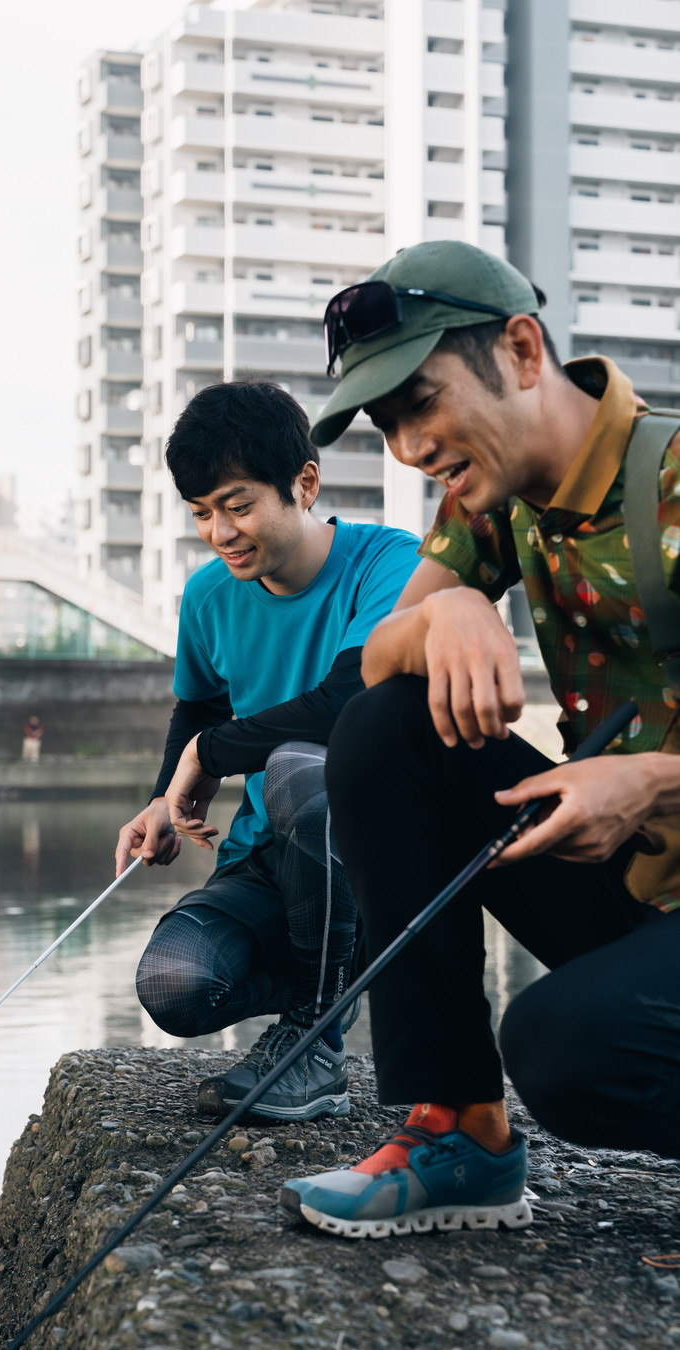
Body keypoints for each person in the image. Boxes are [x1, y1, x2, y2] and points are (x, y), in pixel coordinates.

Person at [281, 239, 680, 1237]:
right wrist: (447, 613)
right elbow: (379, 664)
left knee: (566, 1048)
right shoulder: (489, 499)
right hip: (639, 883)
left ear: (522, 350)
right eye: (386, 424)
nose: (409, 448)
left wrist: (648, 782)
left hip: (653, 837)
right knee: (389, 727)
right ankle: (459, 1132)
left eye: (421, 403)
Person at [115, 381, 419, 1121]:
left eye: (238, 504)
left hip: (375, 858)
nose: (220, 532)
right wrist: (163, 799)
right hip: (267, 857)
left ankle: (314, 1043)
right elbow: (201, 705)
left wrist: (211, 753)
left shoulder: (392, 562)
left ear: (304, 484)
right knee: (174, 984)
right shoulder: (207, 596)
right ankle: (331, 970)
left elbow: (348, 703)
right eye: (201, 513)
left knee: (298, 767)